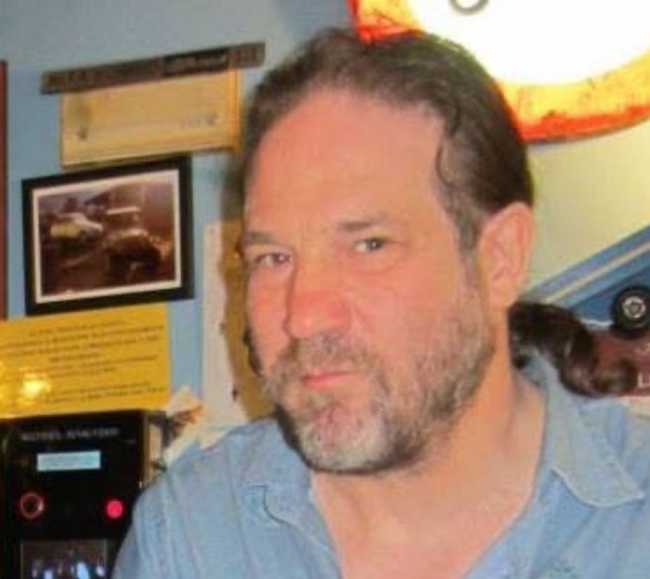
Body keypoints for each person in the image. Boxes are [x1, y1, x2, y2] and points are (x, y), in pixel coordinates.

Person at [112, 27, 650, 578]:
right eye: (273, 257)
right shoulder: (191, 532)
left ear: (500, 259)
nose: (304, 315)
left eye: (369, 245)